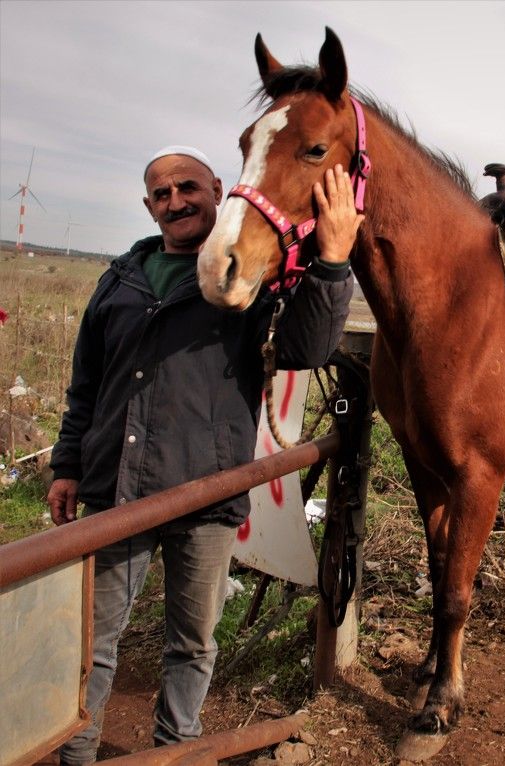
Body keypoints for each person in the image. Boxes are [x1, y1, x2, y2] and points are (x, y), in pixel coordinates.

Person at [47, 146, 362, 766]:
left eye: (187, 187)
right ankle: (76, 755)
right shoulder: (120, 280)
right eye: (162, 194)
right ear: (148, 206)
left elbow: (307, 347)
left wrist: (331, 261)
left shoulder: (245, 278)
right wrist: (66, 466)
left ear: (217, 189)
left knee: (192, 643)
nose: (176, 202)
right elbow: (86, 385)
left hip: (205, 494)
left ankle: (176, 751)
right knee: (93, 642)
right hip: (116, 488)